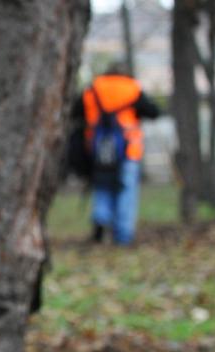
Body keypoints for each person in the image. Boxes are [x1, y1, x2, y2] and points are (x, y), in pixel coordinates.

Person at [73, 61, 161, 245]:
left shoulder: (93, 89)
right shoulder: (132, 88)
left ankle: (101, 219)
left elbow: (75, 112)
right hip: (128, 149)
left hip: (97, 149)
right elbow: (153, 112)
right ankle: (123, 235)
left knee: (102, 186)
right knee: (126, 190)